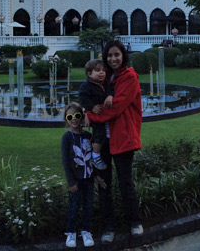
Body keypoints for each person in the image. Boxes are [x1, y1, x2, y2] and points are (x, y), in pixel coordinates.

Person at [85, 39, 144, 243]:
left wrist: (90, 116)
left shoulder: (129, 77)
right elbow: (89, 97)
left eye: (116, 55)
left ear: (123, 55)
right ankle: (108, 227)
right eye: (109, 55)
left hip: (122, 137)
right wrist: (86, 108)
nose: (113, 59)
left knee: (125, 182)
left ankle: (135, 222)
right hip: (102, 140)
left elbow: (115, 108)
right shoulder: (104, 77)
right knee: (104, 184)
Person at [61, 102, 96, 248]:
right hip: (76, 180)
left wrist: (97, 175)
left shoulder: (88, 135)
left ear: (81, 116)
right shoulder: (67, 138)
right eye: (70, 117)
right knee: (74, 207)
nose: (73, 119)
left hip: (89, 179)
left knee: (88, 206)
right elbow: (65, 162)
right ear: (66, 120)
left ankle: (86, 231)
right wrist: (70, 182)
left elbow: (94, 157)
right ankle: (71, 233)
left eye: (76, 115)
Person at [78, 59, 113, 170]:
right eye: (97, 70)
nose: (102, 72)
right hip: (96, 115)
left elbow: (111, 90)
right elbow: (83, 98)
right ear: (89, 74)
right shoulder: (86, 86)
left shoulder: (104, 83)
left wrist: (110, 96)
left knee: (104, 134)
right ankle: (95, 155)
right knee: (99, 135)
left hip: (103, 114)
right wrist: (91, 108)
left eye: (103, 70)